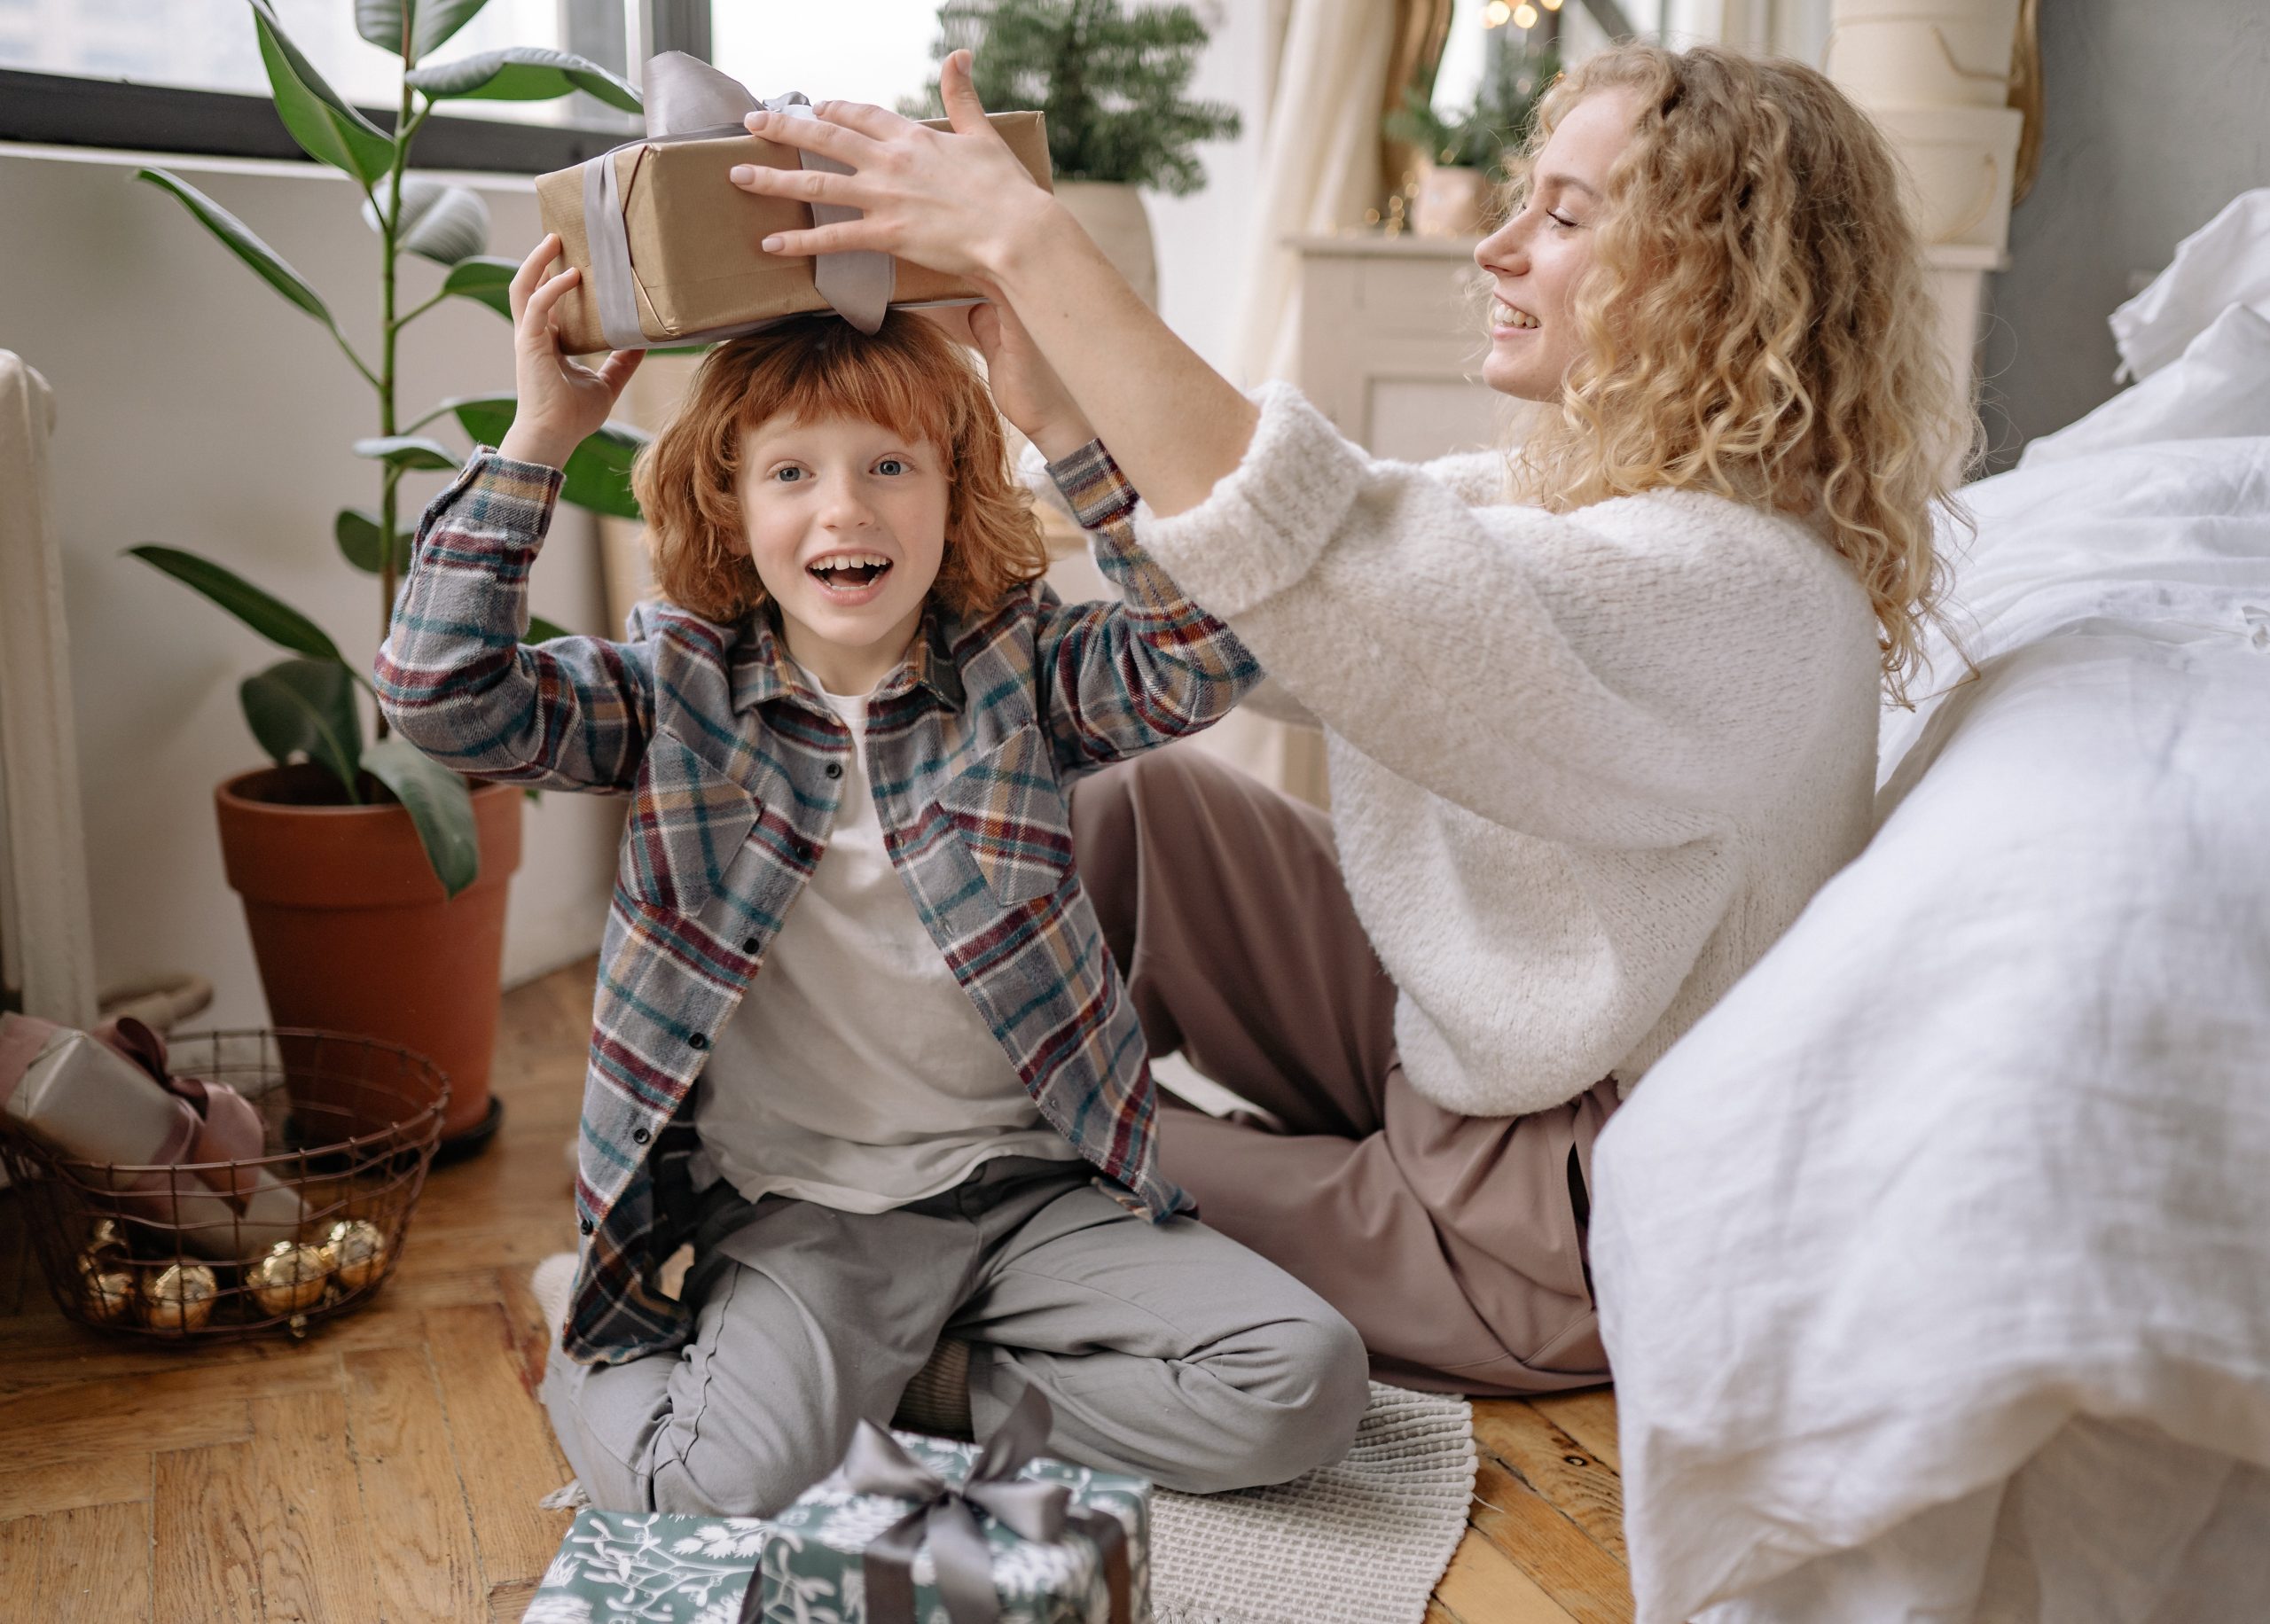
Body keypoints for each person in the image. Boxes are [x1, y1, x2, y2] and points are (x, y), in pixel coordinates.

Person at [725, 42, 1974, 1394]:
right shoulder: (1588, 511)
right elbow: (1288, 590)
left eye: (1564, 216)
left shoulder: (1740, 593)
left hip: (1542, 1226)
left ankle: (818, 1239)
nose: (1498, 247)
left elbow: (1333, 555)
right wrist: (1061, 425)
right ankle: (816, 1119)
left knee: (1021, 1152)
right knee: (1147, 811)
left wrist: (1035, 244)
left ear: (1717, 284)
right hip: (1479, 1040)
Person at [372, 238, 1370, 1514]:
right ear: (732, 506)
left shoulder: (1025, 674)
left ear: (956, 494)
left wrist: (1062, 419)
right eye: (793, 472)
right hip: (806, 1215)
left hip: (1032, 1193)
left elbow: (1200, 655)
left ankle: (924, 1385)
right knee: (702, 1486)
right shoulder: (672, 695)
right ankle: (596, 1331)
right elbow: (442, 700)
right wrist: (540, 437)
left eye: (891, 467)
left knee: (1304, 1384)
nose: (844, 511)